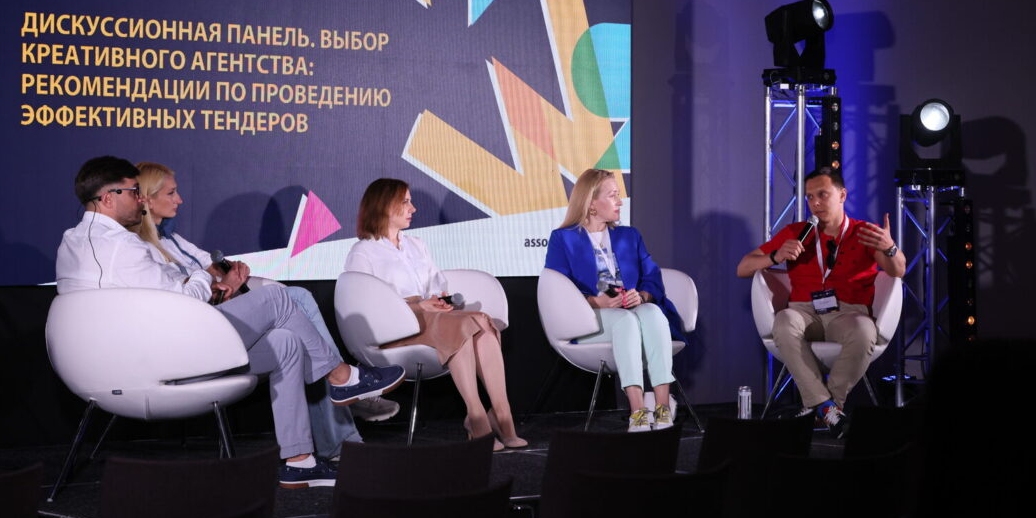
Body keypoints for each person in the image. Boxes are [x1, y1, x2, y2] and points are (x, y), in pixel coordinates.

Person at [55, 156, 406, 487]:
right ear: (108, 198)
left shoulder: (72, 241)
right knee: (278, 297)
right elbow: (184, 299)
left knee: (286, 343)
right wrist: (202, 275)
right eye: (134, 192)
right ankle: (342, 377)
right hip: (162, 359)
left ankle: (299, 461)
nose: (140, 200)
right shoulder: (123, 246)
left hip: (135, 354)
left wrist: (194, 279)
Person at [132, 161, 400, 446]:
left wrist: (228, 275)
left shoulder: (172, 239)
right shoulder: (141, 250)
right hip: (197, 338)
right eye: (171, 193)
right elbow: (181, 301)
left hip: (219, 318)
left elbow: (211, 268)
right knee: (292, 300)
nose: (180, 200)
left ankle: (330, 433)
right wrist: (220, 284)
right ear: (147, 199)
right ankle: (344, 386)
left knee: (297, 321)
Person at [343, 178, 527, 450]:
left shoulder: (417, 244)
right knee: (466, 325)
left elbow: (436, 285)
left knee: (482, 323)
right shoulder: (363, 251)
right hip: (395, 328)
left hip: (433, 319)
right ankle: (476, 416)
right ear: (384, 205)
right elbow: (364, 306)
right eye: (405, 201)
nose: (413, 208)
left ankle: (502, 414)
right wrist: (418, 307)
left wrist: (438, 301)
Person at [736, 166, 906, 436]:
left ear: (842, 195)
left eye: (822, 194)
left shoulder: (864, 232)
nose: (815, 203)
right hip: (804, 311)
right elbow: (743, 268)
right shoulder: (797, 231)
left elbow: (898, 271)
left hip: (848, 313)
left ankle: (822, 407)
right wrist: (775, 256)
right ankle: (827, 409)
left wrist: (890, 248)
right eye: (809, 197)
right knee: (784, 321)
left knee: (865, 330)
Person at [544, 168, 685, 432]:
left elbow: (652, 276)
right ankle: (638, 412)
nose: (620, 202)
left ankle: (663, 407)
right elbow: (556, 291)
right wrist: (596, 302)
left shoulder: (630, 236)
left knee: (653, 313)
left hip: (631, 311)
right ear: (591, 203)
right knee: (625, 322)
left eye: (619, 195)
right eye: (612, 195)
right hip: (588, 319)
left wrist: (641, 296)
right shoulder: (563, 239)